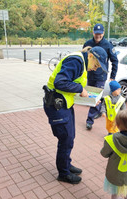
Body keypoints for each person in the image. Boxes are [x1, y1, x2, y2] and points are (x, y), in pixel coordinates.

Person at [43, 46, 108, 184]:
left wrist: (90, 99)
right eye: (96, 64)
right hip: (56, 105)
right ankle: (63, 173)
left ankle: (66, 164)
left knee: (70, 137)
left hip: (65, 104)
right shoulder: (76, 61)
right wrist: (80, 89)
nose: (95, 68)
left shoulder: (82, 63)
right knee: (65, 139)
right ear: (91, 56)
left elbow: (71, 84)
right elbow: (60, 82)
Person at [84, 23, 119, 130]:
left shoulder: (108, 45)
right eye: (96, 33)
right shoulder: (88, 44)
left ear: (103, 33)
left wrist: (113, 76)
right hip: (90, 75)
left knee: (96, 97)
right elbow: (84, 59)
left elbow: (115, 60)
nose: (98, 35)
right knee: (91, 97)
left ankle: (89, 121)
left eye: (100, 33)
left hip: (101, 76)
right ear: (93, 33)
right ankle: (98, 109)